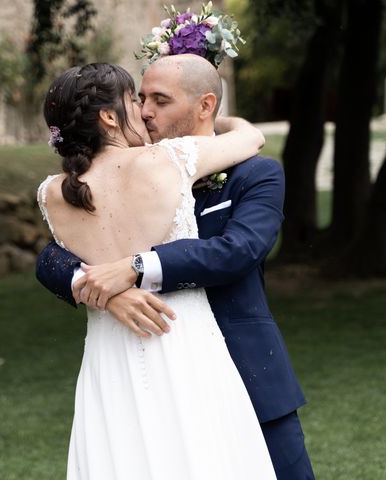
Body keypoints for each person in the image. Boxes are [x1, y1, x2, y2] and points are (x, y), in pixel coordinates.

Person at [37, 54, 315, 479]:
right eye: (139, 98)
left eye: (158, 100)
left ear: (204, 105)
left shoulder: (254, 176)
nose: (145, 111)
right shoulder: (168, 160)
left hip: (244, 362)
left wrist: (132, 269)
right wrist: (108, 292)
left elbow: (238, 250)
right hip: (179, 343)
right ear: (110, 117)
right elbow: (51, 258)